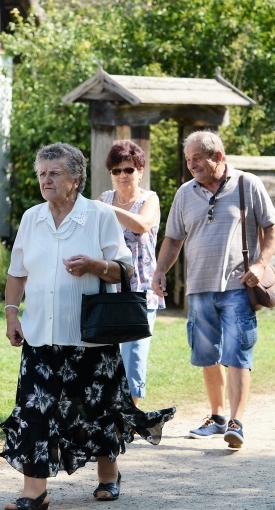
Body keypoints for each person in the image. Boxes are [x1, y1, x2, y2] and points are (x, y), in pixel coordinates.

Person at [1, 142, 176, 510]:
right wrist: (12, 313)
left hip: (90, 339)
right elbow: (17, 273)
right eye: (42, 173)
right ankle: (35, 492)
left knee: (98, 410)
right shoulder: (32, 218)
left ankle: (108, 475)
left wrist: (97, 265)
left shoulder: (98, 215)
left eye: (54, 173)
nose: (46, 180)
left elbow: (125, 268)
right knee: (35, 411)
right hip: (40, 337)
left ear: (76, 179)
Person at [152, 130, 275, 449]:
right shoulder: (185, 193)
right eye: (188, 160)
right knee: (206, 354)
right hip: (198, 288)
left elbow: (272, 227)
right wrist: (159, 271)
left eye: (197, 159)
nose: (191, 165)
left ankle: (236, 421)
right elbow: (173, 239)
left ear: (217, 157)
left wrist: (260, 265)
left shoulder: (247, 185)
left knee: (237, 353)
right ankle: (218, 416)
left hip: (238, 285)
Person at [97, 140, 165, 405]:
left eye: (128, 169)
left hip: (141, 286)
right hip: (108, 285)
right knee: (107, 350)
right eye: (116, 171)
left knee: (135, 352)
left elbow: (141, 225)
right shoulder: (103, 199)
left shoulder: (149, 199)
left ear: (140, 170)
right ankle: (110, 410)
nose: (122, 176)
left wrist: (105, 209)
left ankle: (131, 413)